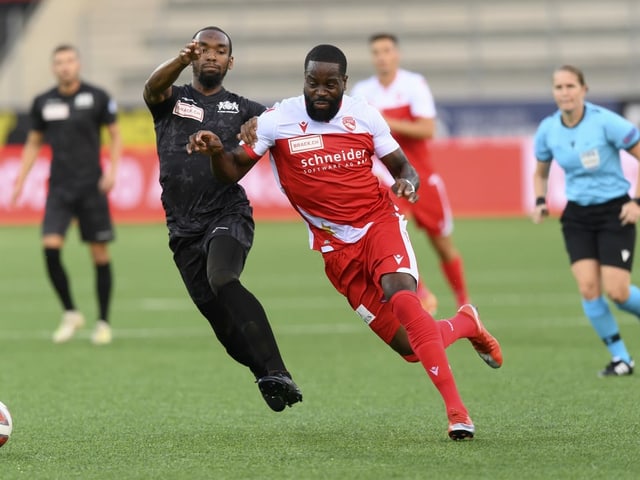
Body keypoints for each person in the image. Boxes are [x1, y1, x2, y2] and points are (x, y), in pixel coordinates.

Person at [187, 44, 503, 440]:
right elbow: (232, 170)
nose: (320, 90)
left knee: (403, 296)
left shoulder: (363, 115)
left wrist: (408, 180)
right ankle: (465, 323)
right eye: (312, 82)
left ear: (344, 84)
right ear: (304, 79)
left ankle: (458, 413)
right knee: (409, 347)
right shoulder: (278, 120)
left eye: (329, 84)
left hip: (378, 224)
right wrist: (218, 151)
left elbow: (402, 165)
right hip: (336, 249)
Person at [142, 26, 302, 412]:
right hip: (182, 228)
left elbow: (284, 128)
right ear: (193, 56)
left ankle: (279, 371)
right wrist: (179, 60)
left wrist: (261, 126)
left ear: (231, 61)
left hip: (226, 213)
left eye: (220, 50)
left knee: (223, 278)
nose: (211, 55)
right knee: (225, 329)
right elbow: (151, 88)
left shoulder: (247, 110)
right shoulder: (172, 99)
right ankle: (263, 374)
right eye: (204, 49)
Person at [533, 65, 640, 377]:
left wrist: (636, 201)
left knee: (618, 292)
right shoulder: (548, 129)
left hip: (615, 212)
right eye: (559, 87)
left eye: (570, 86)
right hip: (577, 216)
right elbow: (540, 172)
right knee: (589, 288)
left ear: (584, 89)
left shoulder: (605, 122)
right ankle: (621, 358)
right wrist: (540, 201)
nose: (564, 92)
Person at [350, 33, 470, 310]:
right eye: (376, 52)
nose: (381, 56)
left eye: (386, 50)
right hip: (384, 178)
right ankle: (423, 293)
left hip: (421, 176)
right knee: (392, 237)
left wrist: (384, 122)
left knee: (442, 245)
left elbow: (427, 128)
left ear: (396, 54)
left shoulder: (413, 84)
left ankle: (464, 301)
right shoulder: (362, 92)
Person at [10, 44, 120, 345]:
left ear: (78, 64)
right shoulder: (43, 102)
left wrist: (112, 171)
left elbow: (115, 135)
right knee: (50, 247)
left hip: (91, 187)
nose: (65, 66)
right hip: (58, 187)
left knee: (99, 254)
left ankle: (103, 322)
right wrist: (20, 180)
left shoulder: (97, 97)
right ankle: (71, 312)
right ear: (53, 67)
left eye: (69, 61)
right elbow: (33, 142)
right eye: (59, 62)